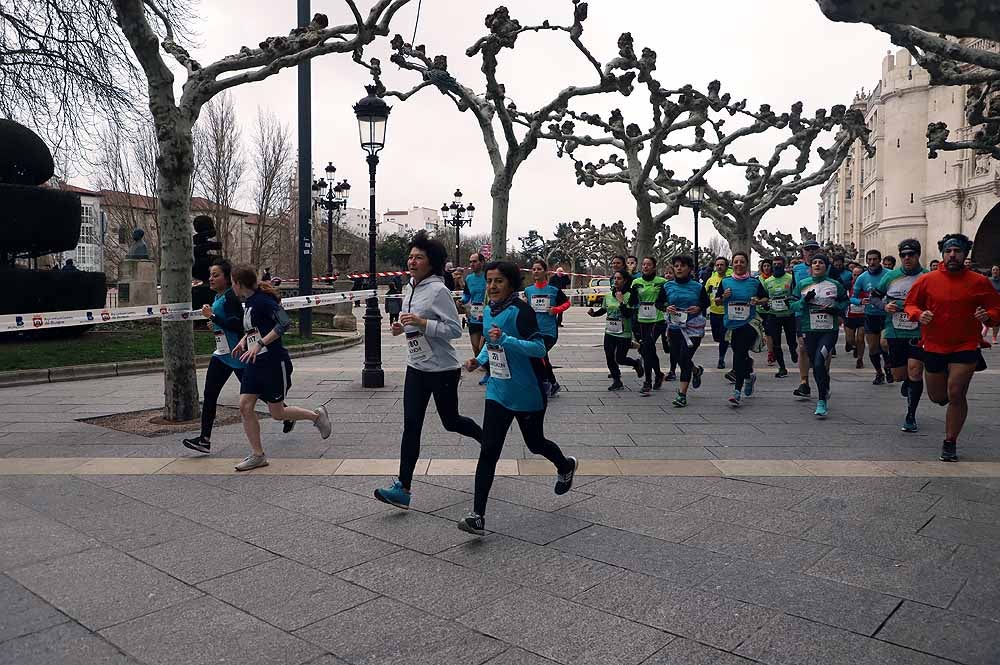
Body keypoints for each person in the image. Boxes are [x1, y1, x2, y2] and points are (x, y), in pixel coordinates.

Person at [460, 260, 577, 535]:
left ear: (511, 283)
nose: (492, 286)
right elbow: (491, 342)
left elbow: (538, 348)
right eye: (489, 281)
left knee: (535, 443)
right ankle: (477, 516)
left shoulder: (521, 311)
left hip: (528, 391)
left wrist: (507, 341)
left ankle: (565, 465)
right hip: (498, 390)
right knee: (488, 450)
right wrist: (478, 360)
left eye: (498, 281)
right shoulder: (489, 310)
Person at [374, 232, 484, 509]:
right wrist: (403, 328)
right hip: (416, 367)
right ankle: (403, 488)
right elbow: (413, 323)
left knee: (451, 422)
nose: (412, 261)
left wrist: (423, 323)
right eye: (410, 256)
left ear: (431, 263)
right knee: (411, 426)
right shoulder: (410, 287)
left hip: (443, 369)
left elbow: (454, 330)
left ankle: (487, 440)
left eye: (418, 257)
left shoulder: (439, 290)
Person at [904, 233, 1000, 461]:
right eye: (948, 251)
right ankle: (949, 396)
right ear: (943, 254)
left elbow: (996, 309)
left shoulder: (979, 281)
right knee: (938, 397)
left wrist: (988, 316)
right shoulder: (927, 280)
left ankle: (950, 441)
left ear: (965, 253)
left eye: (957, 251)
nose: (952, 255)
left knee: (956, 392)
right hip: (934, 345)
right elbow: (910, 304)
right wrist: (919, 314)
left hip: (966, 345)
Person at [229, 264, 331, 471]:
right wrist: (244, 341)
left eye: (232, 283)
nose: (232, 287)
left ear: (239, 284)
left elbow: (284, 323)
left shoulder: (263, 301)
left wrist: (260, 344)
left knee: (277, 413)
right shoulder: (249, 302)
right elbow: (256, 328)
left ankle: (316, 416)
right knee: (245, 406)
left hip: (274, 363)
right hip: (254, 363)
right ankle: (258, 455)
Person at [878, 239, 929, 432]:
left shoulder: (927, 277)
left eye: (911, 254)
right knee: (900, 375)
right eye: (903, 255)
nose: (907, 258)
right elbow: (874, 296)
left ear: (918, 255)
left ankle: (911, 415)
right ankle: (906, 382)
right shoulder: (891, 276)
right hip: (895, 331)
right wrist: (884, 305)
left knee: (915, 371)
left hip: (918, 332)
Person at [791, 253, 848, 418]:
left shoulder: (835, 284)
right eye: (814, 263)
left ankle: (821, 400)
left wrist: (835, 308)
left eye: (821, 263)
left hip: (829, 331)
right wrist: (804, 301)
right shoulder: (802, 284)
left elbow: (845, 301)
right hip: (809, 330)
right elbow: (792, 306)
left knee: (818, 362)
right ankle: (825, 384)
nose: (817, 265)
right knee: (815, 364)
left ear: (826, 267)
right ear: (810, 267)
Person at [714, 251, 767, 407]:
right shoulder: (725, 282)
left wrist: (757, 301)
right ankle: (749, 376)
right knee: (740, 354)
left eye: (742, 262)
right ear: (732, 264)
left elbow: (765, 299)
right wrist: (723, 297)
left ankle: (737, 391)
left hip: (749, 322)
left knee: (739, 353)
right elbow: (717, 302)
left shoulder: (754, 282)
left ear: (746, 264)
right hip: (732, 323)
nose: (738, 264)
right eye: (736, 262)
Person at [664, 255, 709, 407]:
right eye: (676, 266)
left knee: (684, 358)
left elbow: (705, 302)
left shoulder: (697, 287)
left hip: (693, 328)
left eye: (682, 266)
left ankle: (682, 394)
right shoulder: (667, 286)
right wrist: (666, 307)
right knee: (677, 358)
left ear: (690, 269)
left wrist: (699, 307)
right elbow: (659, 302)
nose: (679, 268)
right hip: (675, 327)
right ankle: (695, 371)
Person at [588, 269, 643, 390]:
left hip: (624, 333)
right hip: (610, 331)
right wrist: (593, 314)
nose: (616, 281)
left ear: (625, 280)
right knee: (609, 357)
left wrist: (621, 301)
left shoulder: (630, 295)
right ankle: (616, 380)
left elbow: (629, 314)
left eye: (619, 278)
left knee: (620, 358)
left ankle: (635, 363)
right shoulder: (608, 296)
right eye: (614, 278)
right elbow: (604, 310)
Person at [524, 259, 571, 397]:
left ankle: (546, 383)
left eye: (539, 269)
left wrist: (556, 309)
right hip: (533, 331)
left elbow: (567, 303)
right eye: (534, 269)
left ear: (545, 271)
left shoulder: (554, 290)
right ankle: (552, 383)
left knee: (539, 355)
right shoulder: (528, 290)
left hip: (549, 331)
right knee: (541, 356)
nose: (536, 271)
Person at [851, 249, 892, 385]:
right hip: (870, 316)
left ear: (879, 260)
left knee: (884, 343)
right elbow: (853, 297)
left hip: (886, 316)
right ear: (867, 261)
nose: (872, 262)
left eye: (875, 259)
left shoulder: (889, 274)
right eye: (869, 260)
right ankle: (879, 372)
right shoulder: (862, 278)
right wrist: (860, 301)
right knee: (873, 347)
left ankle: (888, 365)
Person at [629, 256, 668, 395]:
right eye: (644, 264)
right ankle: (658, 374)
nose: (645, 267)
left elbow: (666, 299)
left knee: (646, 349)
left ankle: (647, 382)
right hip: (641, 319)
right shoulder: (636, 282)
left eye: (648, 264)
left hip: (657, 320)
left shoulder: (662, 282)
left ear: (654, 267)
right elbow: (632, 301)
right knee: (649, 350)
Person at [792, 239, 820, 398]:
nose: (811, 252)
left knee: (823, 350)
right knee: (802, 347)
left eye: (814, 249)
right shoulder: (796, 269)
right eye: (808, 249)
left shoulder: (827, 267)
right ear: (803, 252)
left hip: (823, 313)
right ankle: (804, 383)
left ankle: (824, 376)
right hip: (802, 314)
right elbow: (793, 294)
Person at [762, 256, 797, 378]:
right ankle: (782, 367)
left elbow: (796, 294)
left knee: (791, 340)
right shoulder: (767, 281)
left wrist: (791, 301)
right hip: (773, 315)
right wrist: (765, 305)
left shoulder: (791, 278)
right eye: (775, 264)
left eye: (779, 264)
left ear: (784, 265)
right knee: (776, 342)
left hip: (789, 315)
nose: (777, 266)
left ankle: (793, 351)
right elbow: (765, 297)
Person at [462, 252, 489, 384]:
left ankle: (489, 373)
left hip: (488, 316)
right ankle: (486, 368)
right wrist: (462, 301)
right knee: (476, 348)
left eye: (474, 261)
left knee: (483, 345)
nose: (471, 264)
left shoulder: (488, 276)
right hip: (473, 316)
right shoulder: (469, 279)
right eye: (470, 262)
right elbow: (466, 295)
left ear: (482, 262)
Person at [705, 256, 733, 370]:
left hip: (726, 313)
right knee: (716, 337)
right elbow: (705, 294)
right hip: (714, 312)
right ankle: (724, 347)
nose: (719, 267)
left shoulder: (730, 279)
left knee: (723, 337)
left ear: (726, 267)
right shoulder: (711, 280)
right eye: (717, 265)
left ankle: (721, 358)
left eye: (722, 265)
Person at [844, 265, 867, 366]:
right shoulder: (848, 285)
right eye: (854, 275)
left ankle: (860, 359)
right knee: (850, 339)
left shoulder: (867, 285)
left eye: (859, 275)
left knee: (860, 338)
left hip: (863, 315)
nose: (856, 277)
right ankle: (855, 347)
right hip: (850, 315)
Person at [758, 258, 775, 366]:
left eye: (768, 266)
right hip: (759, 309)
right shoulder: (758, 279)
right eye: (764, 266)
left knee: (769, 332)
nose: (766, 268)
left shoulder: (775, 278)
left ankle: (770, 353)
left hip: (771, 309)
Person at [986, 265, 1000, 343]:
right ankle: (982, 334)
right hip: (990, 303)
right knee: (990, 319)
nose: (995, 271)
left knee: (997, 322)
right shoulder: (988, 280)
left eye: (997, 270)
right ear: (991, 271)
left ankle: (994, 337)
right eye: (994, 270)